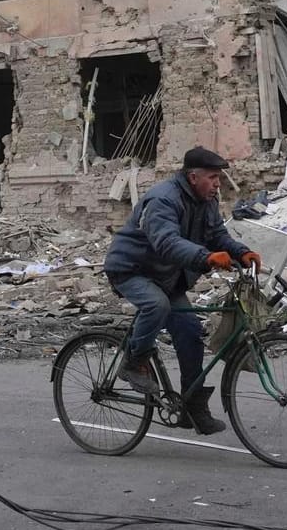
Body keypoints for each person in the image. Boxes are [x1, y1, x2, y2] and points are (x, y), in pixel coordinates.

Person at [102, 146, 261, 436]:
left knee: (190, 334)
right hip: (132, 269)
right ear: (192, 177)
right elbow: (166, 242)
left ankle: (192, 405)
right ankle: (134, 363)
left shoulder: (206, 200)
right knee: (156, 306)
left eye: (219, 178)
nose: (217, 184)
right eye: (213, 177)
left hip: (166, 275)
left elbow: (217, 236)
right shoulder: (163, 199)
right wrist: (206, 257)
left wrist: (242, 253)